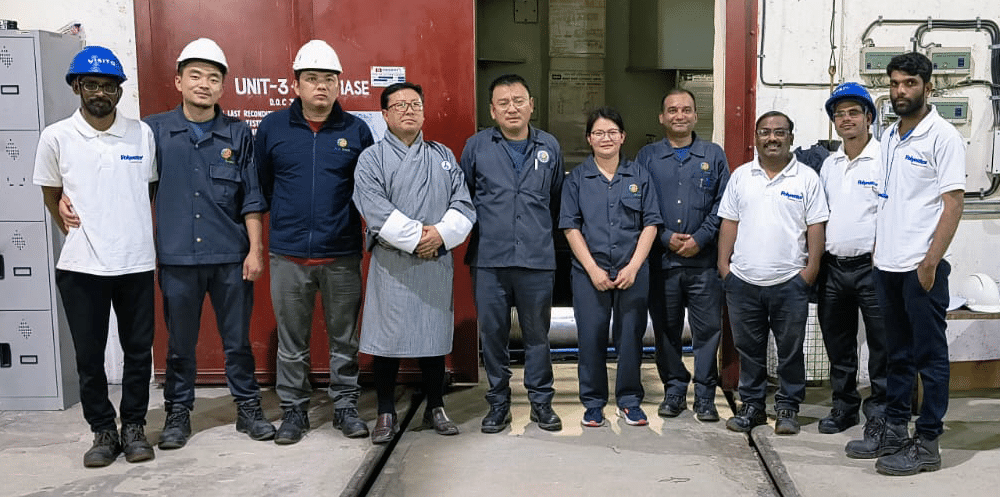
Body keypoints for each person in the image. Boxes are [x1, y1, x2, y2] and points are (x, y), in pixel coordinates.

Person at [143, 38, 275, 448]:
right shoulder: (154, 131)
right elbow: (127, 187)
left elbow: (251, 197)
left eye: (213, 78)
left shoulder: (237, 133)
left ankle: (247, 409)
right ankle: (178, 414)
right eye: (195, 76)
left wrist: (255, 250)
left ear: (223, 87)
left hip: (230, 258)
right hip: (178, 257)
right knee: (179, 345)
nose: (204, 84)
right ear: (178, 80)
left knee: (237, 341)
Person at [33, 46, 157, 467]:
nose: (101, 93)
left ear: (119, 92)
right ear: (76, 87)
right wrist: (67, 220)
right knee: (90, 356)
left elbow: (148, 189)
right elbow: (51, 192)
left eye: (109, 86)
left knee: (139, 352)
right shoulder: (56, 137)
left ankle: (135, 426)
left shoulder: (141, 134)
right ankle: (103, 431)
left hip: (136, 262)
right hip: (81, 266)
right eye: (92, 85)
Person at [846, 52, 965, 477]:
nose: (900, 91)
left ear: (927, 87)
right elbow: (890, 200)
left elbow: (953, 204)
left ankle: (928, 441)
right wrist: (880, 250)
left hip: (921, 267)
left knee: (929, 358)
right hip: (888, 266)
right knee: (896, 354)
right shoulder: (891, 136)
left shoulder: (942, 137)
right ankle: (895, 428)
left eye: (909, 83)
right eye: (895, 83)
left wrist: (931, 262)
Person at [255, 40, 374, 444]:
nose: (320, 87)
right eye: (312, 79)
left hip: (341, 253)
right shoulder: (272, 128)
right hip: (288, 254)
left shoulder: (357, 131)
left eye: (328, 79)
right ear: (296, 85)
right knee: (292, 343)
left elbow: (368, 190)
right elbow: (263, 185)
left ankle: (345, 407)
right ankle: (293, 412)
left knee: (345, 339)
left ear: (340, 85)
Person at [353, 82, 476, 444]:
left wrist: (440, 235)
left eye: (415, 104)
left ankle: (436, 405)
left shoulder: (442, 156)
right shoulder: (371, 159)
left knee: (434, 337)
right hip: (393, 263)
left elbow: (463, 204)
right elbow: (373, 208)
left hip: (435, 260)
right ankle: (386, 410)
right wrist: (418, 239)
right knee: (387, 340)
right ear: (386, 114)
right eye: (400, 105)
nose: (409, 110)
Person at [459, 74, 564, 433]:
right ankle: (498, 404)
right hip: (489, 258)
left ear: (531, 104)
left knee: (538, 335)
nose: (512, 108)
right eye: (503, 103)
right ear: (492, 110)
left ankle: (541, 404)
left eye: (518, 100)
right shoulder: (476, 147)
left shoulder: (549, 146)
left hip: (536, 259)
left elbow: (555, 200)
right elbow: (465, 197)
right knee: (493, 336)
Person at [717, 111, 829, 436]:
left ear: (791, 137)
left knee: (790, 351)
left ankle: (788, 408)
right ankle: (752, 407)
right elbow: (729, 222)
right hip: (743, 283)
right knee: (748, 351)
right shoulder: (741, 177)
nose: (772, 138)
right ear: (756, 137)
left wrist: (810, 271)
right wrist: (725, 268)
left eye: (779, 132)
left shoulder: (807, 178)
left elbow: (815, 227)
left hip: (790, 284)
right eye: (765, 132)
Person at [560, 107, 662, 427]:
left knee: (630, 336)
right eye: (599, 133)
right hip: (589, 272)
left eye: (612, 133)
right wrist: (591, 269)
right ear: (589, 139)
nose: (606, 138)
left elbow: (651, 224)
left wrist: (633, 267)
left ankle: (629, 401)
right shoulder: (576, 178)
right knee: (590, 336)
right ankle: (593, 403)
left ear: (622, 137)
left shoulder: (639, 176)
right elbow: (570, 226)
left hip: (633, 270)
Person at [636, 89, 729, 422]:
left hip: (703, 265)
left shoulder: (713, 156)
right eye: (672, 110)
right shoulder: (646, 157)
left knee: (707, 333)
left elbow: (724, 204)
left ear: (695, 116)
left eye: (685, 110)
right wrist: (664, 237)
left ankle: (705, 396)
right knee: (666, 329)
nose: (679, 115)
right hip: (663, 263)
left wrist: (701, 238)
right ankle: (674, 389)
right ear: (662, 117)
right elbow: (640, 204)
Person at [815, 82, 887, 435]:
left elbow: (894, 211)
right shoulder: (830, 165)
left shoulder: (885, 159)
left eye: (853, 112)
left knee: (881, 344)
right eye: (839, 114)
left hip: (873, 269)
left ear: (869, 118)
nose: (845, 119)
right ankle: (844, 407)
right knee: (838, 343)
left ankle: (881, 412)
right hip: (834, 269)